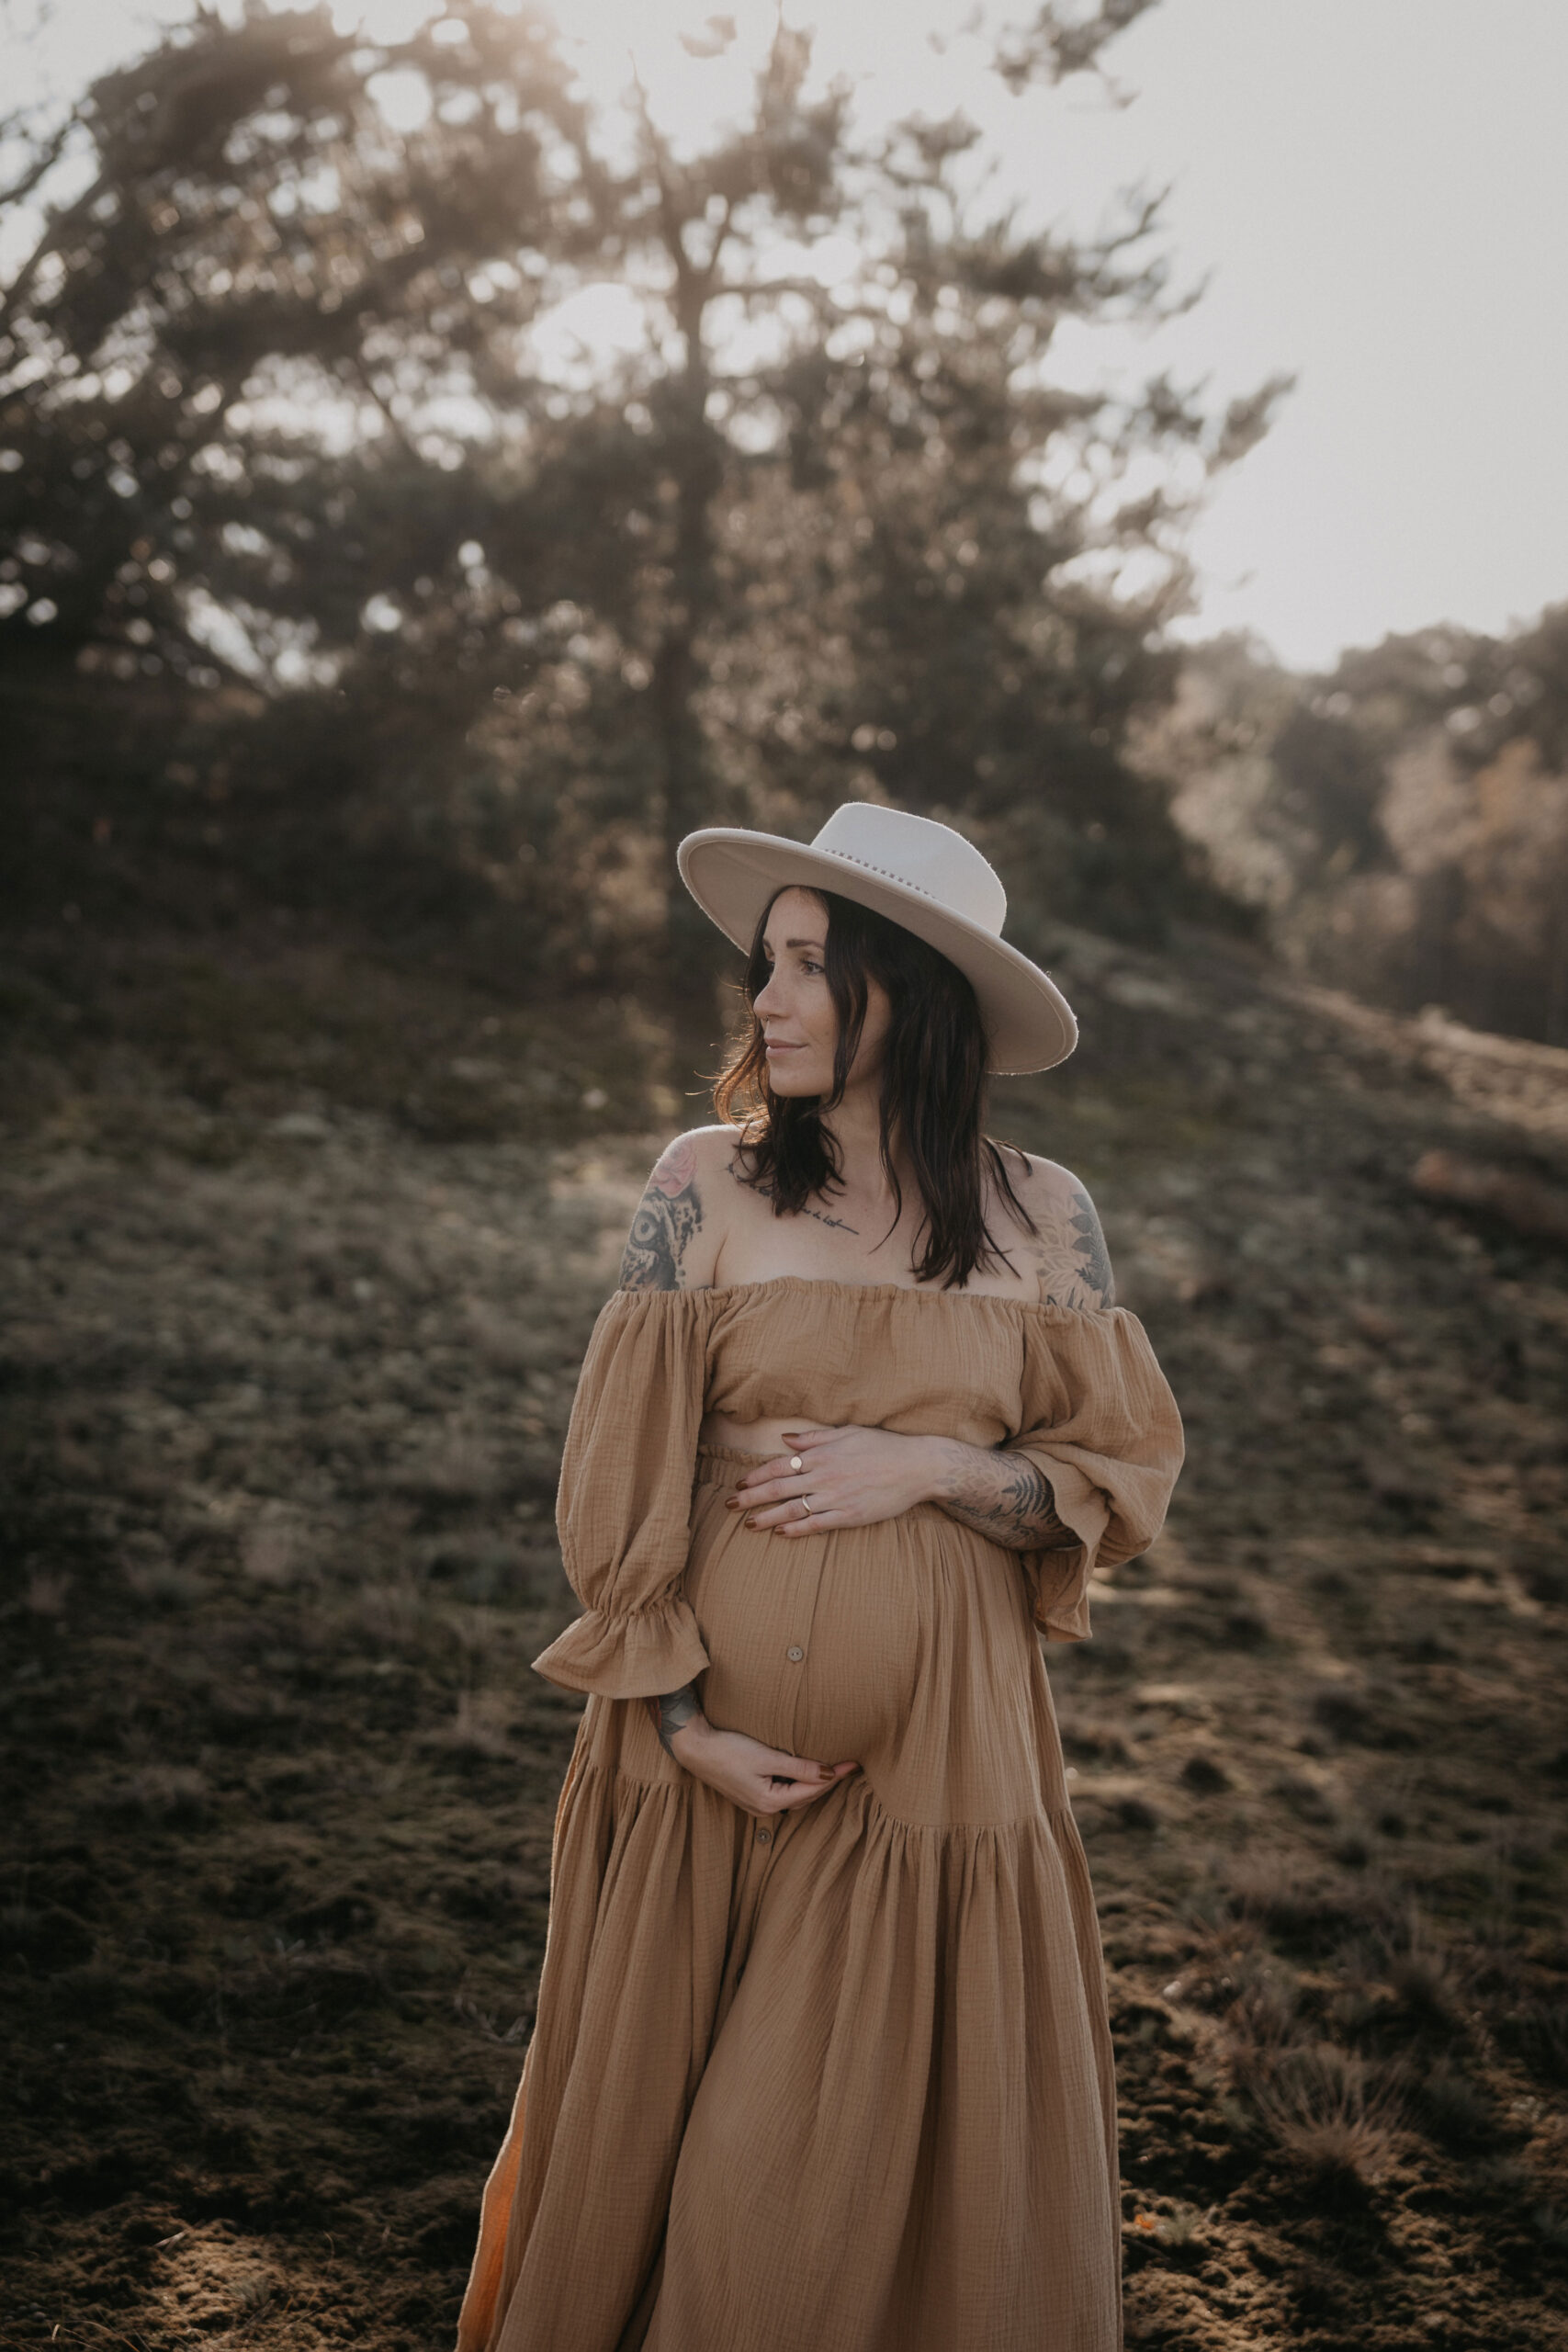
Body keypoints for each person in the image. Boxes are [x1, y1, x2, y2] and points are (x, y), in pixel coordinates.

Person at [457, 802, 1184, 2352]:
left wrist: (930, 1467)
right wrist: (673, 1727)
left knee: (803, 2195)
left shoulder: (1047, 1216)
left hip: (935, 1785)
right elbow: (619, 1482)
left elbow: (1113, 1478)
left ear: (907, 991)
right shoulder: (701, 1186)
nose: (766, 1001)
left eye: (804, 966)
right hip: (701, 1770)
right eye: (764, 965)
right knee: (674, 2177)